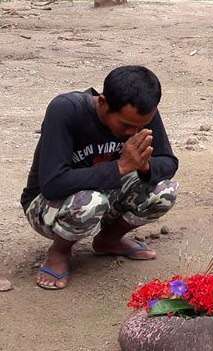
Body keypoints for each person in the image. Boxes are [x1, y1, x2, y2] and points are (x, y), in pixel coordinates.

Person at [20, 65, 179, 290]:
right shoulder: (66, 110)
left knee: (164, 191)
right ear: (103, 102)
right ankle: (60, 250)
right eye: (125, 125)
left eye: (140, 126)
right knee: (91, 201)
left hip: (103, 195)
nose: (133, 133)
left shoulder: (140, 113)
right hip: (45, 205)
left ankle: (108, 240)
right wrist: (121, 167)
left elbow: (169, 162)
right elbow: (52, 184)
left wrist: (144, 166)